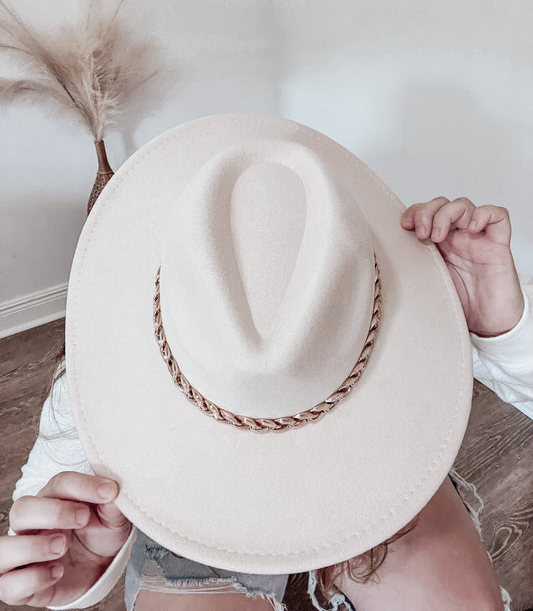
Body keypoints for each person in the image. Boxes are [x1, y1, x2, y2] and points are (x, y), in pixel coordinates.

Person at [1, 117, 532, 611]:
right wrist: (79, 566)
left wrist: (503, 330)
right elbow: (49, 477)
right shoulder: (107, 371)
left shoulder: (367, 302)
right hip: (196, 490)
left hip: (367, 460)